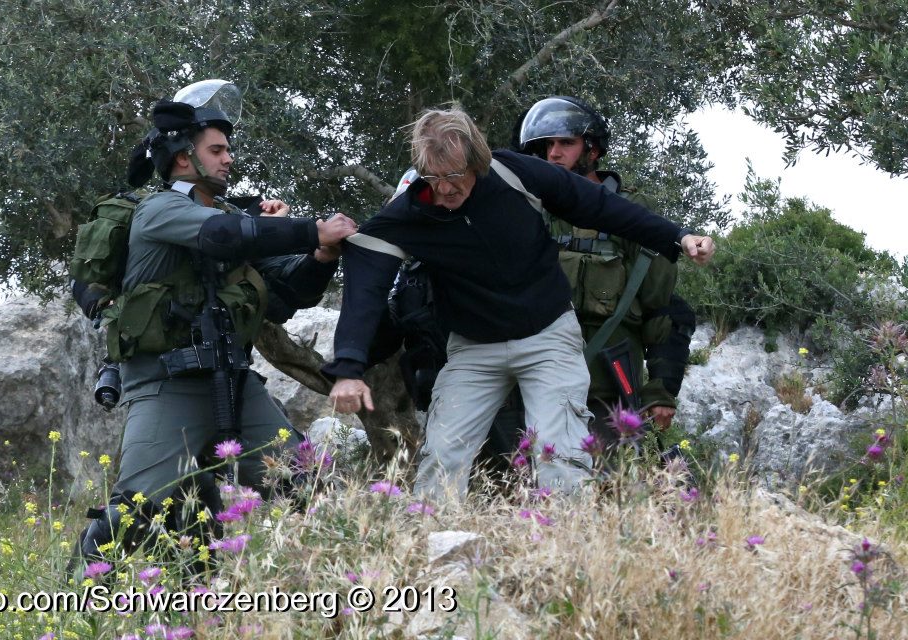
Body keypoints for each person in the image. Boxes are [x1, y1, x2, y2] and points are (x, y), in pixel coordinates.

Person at [323, 107, 714, 501]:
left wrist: (677, 237)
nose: (444, 189)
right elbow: (366, 283)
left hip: (548, 336)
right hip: (474, 349)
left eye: (454, 176)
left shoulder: (515, 174)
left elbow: (600, 206)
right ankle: (434, 547)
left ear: (478, 161)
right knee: (443, 456)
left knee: (558, 454)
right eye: (433, 178)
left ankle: (563, 548)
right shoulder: (409, 213)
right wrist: (349, 368)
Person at [70, 79, 357, 573]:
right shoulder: (160, 210)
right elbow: (221, 235)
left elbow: (290, 295)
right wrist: (306, 227)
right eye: (217, 150)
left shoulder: (228, 215)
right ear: (184, 157)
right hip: (166, 385)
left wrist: (322, 253)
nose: (229, 160)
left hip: (234, 384)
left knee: (305, 481)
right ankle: (71, 603)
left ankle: (350, 592)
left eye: (228, 150)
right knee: (136, 509)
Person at [515, 96, 696, 448]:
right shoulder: (527, 212)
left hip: (607, 385)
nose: (553, 153)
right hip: (536, 380)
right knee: (522, 484)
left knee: (612, 490)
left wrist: (659, 390)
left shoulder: (630, 213)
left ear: (593, 150)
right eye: (546, 145)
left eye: (566, 143)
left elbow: (664, 310)